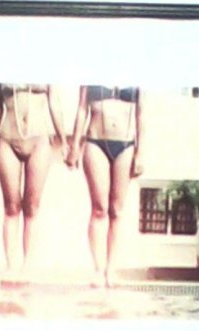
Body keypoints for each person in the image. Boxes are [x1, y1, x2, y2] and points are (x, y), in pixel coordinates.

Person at [0, 83, 66, 280]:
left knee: (32, 207)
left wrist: (63, 139)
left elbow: (54, 103)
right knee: (11, 207)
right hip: (8, 140)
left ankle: (28, 266)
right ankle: (10, 267)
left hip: (38, 140)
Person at [66, 85, 143, 287]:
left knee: (117, 211)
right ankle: (98, 269)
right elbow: (81, 109)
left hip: (126, 145)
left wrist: (140, 153)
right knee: (99, 209)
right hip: (96, 142)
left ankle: (112, 269)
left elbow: (141, 115)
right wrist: (74, 146)